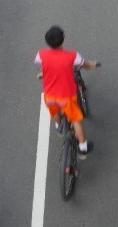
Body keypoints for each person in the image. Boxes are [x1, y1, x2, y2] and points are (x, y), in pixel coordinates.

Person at [34, 25, 98, 159]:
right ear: (63, 40)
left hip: (49, 95)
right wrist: (92, 64)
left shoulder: (41, 54)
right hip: (66, 97)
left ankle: (59, 126)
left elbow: (42, 65)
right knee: (76, 120)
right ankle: (83, 147)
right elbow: (82, 64)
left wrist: (43, 73)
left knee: (55, 111)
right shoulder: (72, 56)